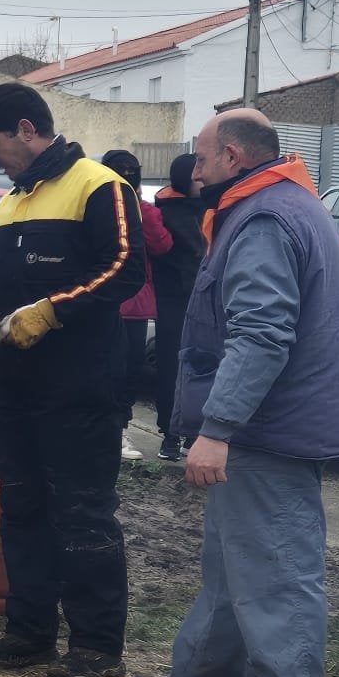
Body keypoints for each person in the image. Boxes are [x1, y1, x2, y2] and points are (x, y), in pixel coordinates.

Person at [129, 109, 339, 677]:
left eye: (201, 156)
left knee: (275, 573)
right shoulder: (284, 204)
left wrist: (219, 427)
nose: (192, 167)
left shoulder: (263, 219)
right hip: (269, 425)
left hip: (268, 430)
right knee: (233, 566)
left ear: (233, 156)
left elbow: (261, 335)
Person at [0, 82, 143, 677]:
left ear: (27, 130)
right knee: (23, 506)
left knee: (83, 512)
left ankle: (95, 644)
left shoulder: (98, 186)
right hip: (15, 383)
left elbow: (122, 269)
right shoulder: (10, 205)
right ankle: (30, 629)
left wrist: (50, 311)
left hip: (80, 383)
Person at [100, 150, 171, 461]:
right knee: (123, 371)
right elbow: (163, 244)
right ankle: (115, 430)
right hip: (128, 303)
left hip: (108, 302)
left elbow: (160, 244)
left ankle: (114, 430)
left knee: (113, 370)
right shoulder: (142, 210)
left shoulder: (96, 208)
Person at [151, 153, 209, 461]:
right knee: (172, 367)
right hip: (173, 301)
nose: (201, 179)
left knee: (202, 365)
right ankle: (171, 433)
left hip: (203, 301)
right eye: (196, 175)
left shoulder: (210, 208)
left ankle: (193, 433)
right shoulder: (168, 213)